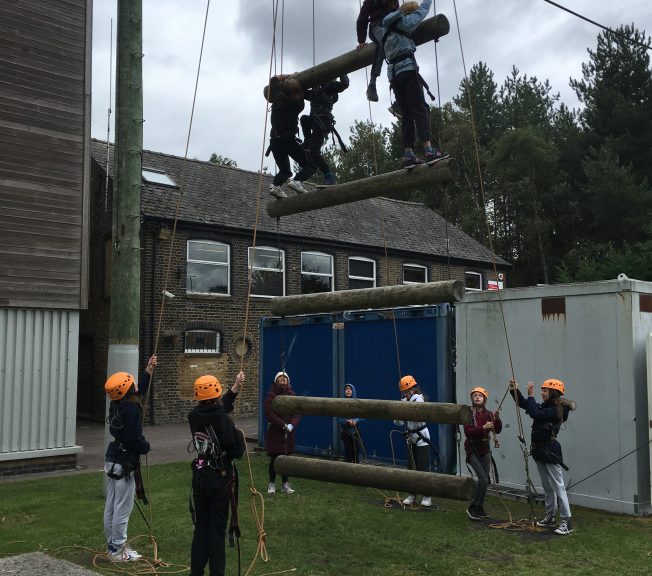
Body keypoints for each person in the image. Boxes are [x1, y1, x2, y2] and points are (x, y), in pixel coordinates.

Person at [188, 372, 246, 576]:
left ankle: (196, 572)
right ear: (215, 395)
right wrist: (237, 433)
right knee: (216, 532)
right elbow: (237, 451)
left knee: (201, 528)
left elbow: (218, 409)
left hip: (201, 477)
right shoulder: (222, 419)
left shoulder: (194, 416)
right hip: (219, 480)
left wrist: (235, 388)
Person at [377, 0, 444, 167]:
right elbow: (423, 11)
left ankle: (408, 153)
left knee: (406, 113)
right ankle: (428, 149)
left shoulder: (383, 31)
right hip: (407, 70)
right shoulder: (406, 23)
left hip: (393, 75)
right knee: (420, 109)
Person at [103, 354, 157, 562]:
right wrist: (146, 447)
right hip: (125, 462)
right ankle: (118, 551)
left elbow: (136, 391)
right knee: (122, 509)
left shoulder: (117, 404)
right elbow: (136, 439)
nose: (135, 384)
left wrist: (148, 370)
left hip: (113, 458)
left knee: (111, 504)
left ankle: (112, 545)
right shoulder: (132, 409)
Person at [509, 378, 574, 535]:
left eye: (544, 390)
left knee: (558, 486)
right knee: (547, 486)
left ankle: (566, 521)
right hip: (540, 450)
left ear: (552, 393)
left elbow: (534, 412)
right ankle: (550, 516)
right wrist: (514, 390)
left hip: (550, 451)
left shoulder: (555, 411)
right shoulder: (547, 407)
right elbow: (525, 404)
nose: (541, 393)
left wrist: (530, 395)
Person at [266, 75, 314, 198]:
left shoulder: (277, 98)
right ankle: (297, 181)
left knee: (285, 171)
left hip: (275, 141)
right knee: (310, 165)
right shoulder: (297, 106)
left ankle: (275, 186)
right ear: (295, 94)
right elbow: (301, 96)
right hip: (287, 141)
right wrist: (296, 76)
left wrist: (286, 77)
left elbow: (274, 80)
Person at [300, 74, 350, 185]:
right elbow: (303, 93)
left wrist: (342, 71)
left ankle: (329, 175)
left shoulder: (330, 88)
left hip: (322, 122)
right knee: (304, 119)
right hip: (314, 120)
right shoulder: (315, 90)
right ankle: (307, 143)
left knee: (314, 152)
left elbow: (344, 84)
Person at [463, 386, 502, 521]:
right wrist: (482, 427)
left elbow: (498, 429)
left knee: (485, 481)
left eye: (480, 395)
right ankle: (473, 507)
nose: (477, 397)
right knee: (483, 479)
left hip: (485, 449)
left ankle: (480, 507)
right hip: (473, 449)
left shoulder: (489, 414)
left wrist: (497, 419)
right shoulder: (468, 412)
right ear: (472, 399)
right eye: (475, 396)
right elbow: (468, 431)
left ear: (484, 399)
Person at [394, 375, 432, 507]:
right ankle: (412, 494)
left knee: (423, 467)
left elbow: (417, 413)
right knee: (411, 467)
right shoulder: (405, 401)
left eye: (406, 391)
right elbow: (398, 422)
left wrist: (405, 406)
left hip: (421, 436)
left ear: (412, 390)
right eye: (403, 392)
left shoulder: (418, 400)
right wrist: (399, 411)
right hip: (411, 437)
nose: (405, 393)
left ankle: (427, 495)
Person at [264, 371, 301, 494]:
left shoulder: (292, 394)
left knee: (286, 459)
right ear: (276, 380)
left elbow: (297, 412)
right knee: (275, 458)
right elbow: (269, 412)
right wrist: (282, 424)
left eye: (284, 377)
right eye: (280, 377)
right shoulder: (271, 394)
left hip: (288, 433)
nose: (282, 379)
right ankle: (272, 484)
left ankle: (285, 484)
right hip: (276, 431)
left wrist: (291, 425)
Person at [356, 0, 399, 102]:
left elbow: (397, 11)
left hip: (391, 26)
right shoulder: (370, 1)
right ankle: (372, 83)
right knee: (384, 42)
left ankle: (400, 89)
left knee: (400, 43)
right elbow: (362, 19)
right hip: (376, 26)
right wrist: (361, 40)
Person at [336, 383, 363, 463]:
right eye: (346, 389)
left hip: (355, 432)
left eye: (350, 389)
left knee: (356, 451)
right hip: (346, 432)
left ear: (353, 391)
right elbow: (338, 418)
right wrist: (347, 421)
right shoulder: (341, 403)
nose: (348, 391)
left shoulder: (358, 403)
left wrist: (356, 421)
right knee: (348, 451)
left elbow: (362, 416)